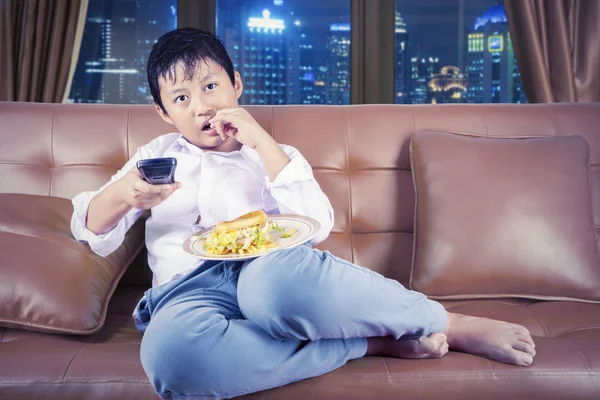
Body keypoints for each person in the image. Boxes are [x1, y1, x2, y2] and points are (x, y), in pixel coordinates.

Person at [70, 28, 536, 400]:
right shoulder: (155, 155)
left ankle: (445, 322)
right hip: (185, 294)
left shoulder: (273, 153)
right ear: (164, 113)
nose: (203, 105)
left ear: (236, 85)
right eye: (182, 98)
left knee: (273, 291)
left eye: (211, 86)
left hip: (269, 274)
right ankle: (367, 343)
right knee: (172, 364)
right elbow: (91, 231)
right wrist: (124, 194)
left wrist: (261, 142)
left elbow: (315, 225)